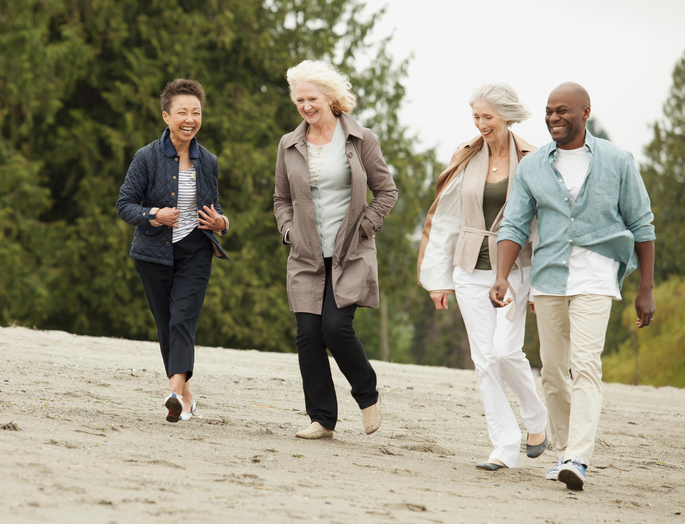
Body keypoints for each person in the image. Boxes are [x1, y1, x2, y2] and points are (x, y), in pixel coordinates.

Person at [490, 82, 655, 490]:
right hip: (548, 278)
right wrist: (500, 276)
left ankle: (578, 458)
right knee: (552, 372)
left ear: (585, 113)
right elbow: (513, 224)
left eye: (562, 111)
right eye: (548, 111)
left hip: (596, 277)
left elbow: (642, 225)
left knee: (585, 365)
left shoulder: (617, 161)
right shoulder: (532, 166)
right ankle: (565, 451)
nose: (553, 118)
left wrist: (645, 289)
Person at [417, 83, 548, 471]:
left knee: (506, 351)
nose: (480, 124)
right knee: (484, 359)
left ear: (506, 116)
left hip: (515, 269)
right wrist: (438, 279)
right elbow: (445, 220)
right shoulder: (469, 157)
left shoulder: (533, 160)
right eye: (476, 117)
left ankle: (536, 417)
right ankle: (504, 447)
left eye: (487, 117)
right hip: (469, 269)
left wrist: (541, 285)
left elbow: (544, 225)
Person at [273, 60, 398, 439]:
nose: (305, 106)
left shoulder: (361, 139)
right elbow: (281, 198)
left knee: (335, 327)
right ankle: (322, 419)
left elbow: (387, 191)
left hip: (351, 251)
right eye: (299, 100)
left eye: (311, 98)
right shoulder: (289, 144)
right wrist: (290, 231)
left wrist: (366, 226)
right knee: (308, 335)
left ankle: (367, 393)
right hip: (307, 254)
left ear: (330, 98)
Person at [116, 79, 230, 423]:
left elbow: (216, 207)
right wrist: (154, 215)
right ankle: (185, 395)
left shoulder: (208, 161)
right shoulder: (146, 157)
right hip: (153, 255)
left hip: (196, 251)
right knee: (167, 324)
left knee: (183, 319)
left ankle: (172, 394)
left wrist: (221, 223)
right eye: (182, 112)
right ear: (166, 116)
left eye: (196, 112)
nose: (190, 119)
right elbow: (125, 205)